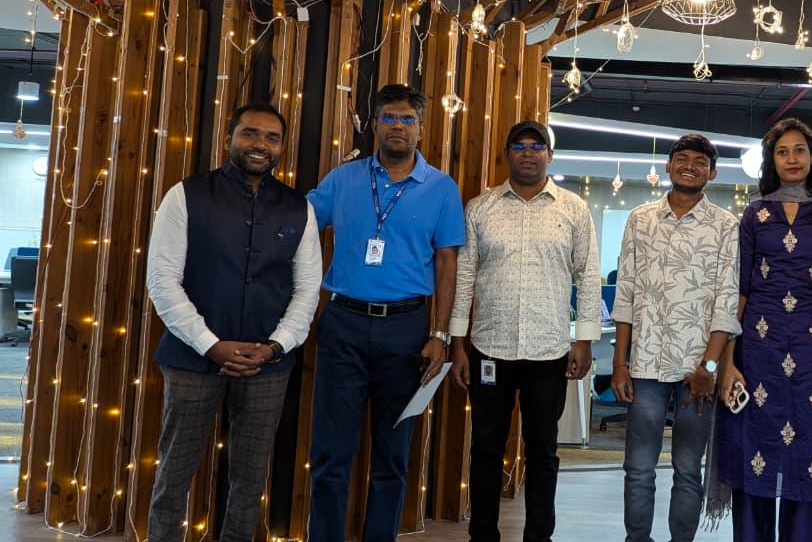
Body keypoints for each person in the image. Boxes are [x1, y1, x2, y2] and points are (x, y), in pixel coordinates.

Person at [145, 103, 323, 542]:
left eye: (271, 137)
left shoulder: (299, 208)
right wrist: (210, 344)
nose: (260, 144)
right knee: (174, 473)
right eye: (250, 134)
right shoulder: (186, 195)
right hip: (191, 361)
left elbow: (307, 290)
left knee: (249, 479)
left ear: (281, 147)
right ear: (229, 138)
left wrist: (276, 347)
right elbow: (162, 281)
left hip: (268, 366)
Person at [307, 84, 466, 542]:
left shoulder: (441, 189)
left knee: (393, 455)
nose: (399, 127)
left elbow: (447, 262)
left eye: (408, 119)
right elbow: (299, 230)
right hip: (343, 324)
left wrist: (440, 332)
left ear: (421, 128)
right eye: (390, 118)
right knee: (330, 452)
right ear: (375, 125)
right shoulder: (343, 179)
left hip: (408, 331)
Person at [449, 119, 600, 542]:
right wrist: (457, 345)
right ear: (507, 154)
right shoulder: (480, 208)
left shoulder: (572, 208)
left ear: (550, 156)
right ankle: (483, 535)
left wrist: (583, 339)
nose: (529, 152)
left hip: (548, 351)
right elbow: (463, 278)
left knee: (543, 453)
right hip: (488, 349)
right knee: (485, 450)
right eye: (520, 145)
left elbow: (587, 275)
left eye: (537, 146)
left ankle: (539, 536)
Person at [713, 117, 812, 542]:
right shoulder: (755, 213)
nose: (791, 158)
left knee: (811, 453)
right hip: (757, 348)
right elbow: (740, 290)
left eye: (799, 151)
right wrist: (726, 361)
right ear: (771, 161)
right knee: (753, 448)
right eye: (781, 151)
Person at [611, 134, 741, 542]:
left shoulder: (726, 226)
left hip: (696, 371)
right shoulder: (640, 219)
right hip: (645, 364)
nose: (690, 165)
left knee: (688, 470)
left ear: (712, 172)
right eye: (681, 158)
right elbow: (627, 292)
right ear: (667, 166)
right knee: (638, 469)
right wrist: (619, 363)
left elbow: (727, 299)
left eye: (699, 161)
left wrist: (710, 367)